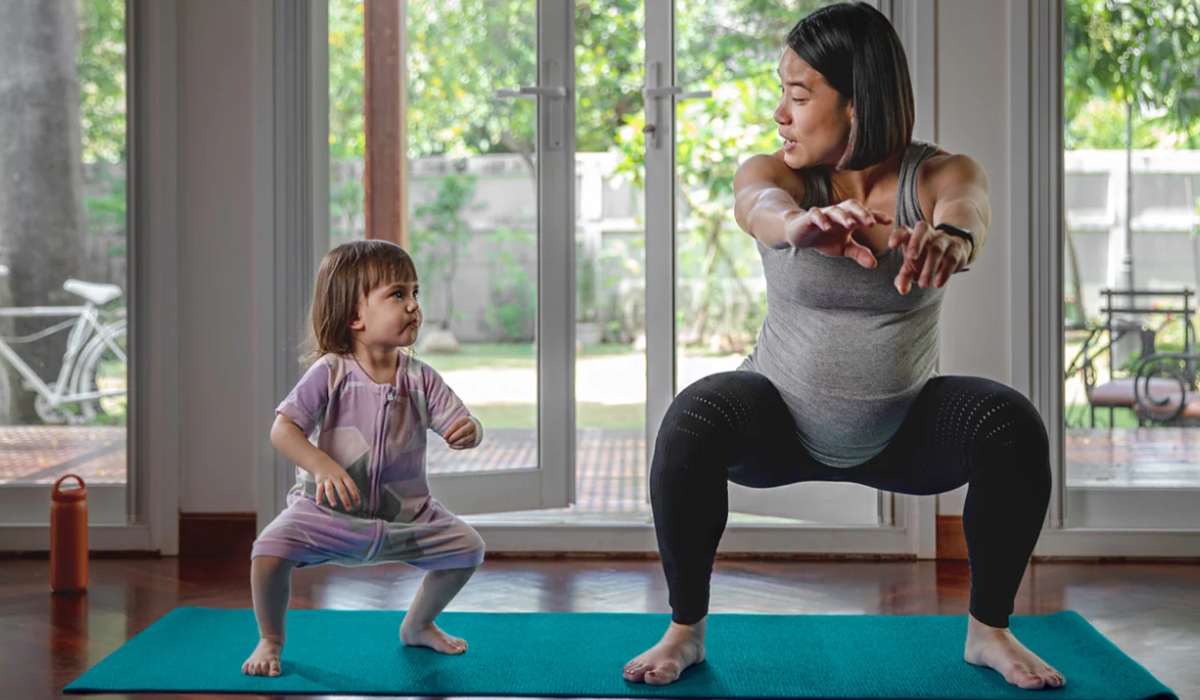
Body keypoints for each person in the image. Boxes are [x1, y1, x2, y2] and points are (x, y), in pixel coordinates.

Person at [623, 2, 1065, 691]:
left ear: (857, 104)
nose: (780, 113)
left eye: (799, 95)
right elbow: (755, 204)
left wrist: (951, 239)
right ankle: (685, 631)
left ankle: (989, 633)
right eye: (782, 93)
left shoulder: (940, 174)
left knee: (1013, 426)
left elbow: (966, 210)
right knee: (692, 419)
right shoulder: (784, 173)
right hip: (777, 423)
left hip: (905, 431)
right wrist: (797, 225)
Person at [243, 240, 486, 677]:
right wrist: (322, 465)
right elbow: (283, 429)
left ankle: (418, 625)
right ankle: (271, 638)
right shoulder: (330, 373)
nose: (413, 306)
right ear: (355, 317)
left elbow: (460, 420)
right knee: (268, 554)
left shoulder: (421, 378)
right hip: (327, 514)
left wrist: (469, 431)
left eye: (415, 293)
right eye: (398, 295)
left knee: (468, 549)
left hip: (407, 517)